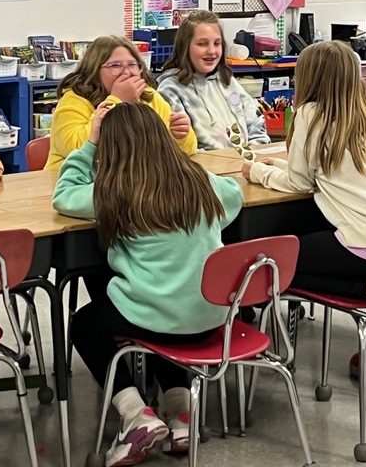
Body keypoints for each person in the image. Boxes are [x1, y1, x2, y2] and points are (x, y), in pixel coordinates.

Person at [53, 101, 243, 466]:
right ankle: (181, 412)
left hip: (157, 316)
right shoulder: (199, 181)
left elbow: (63, 196)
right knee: (161, 314)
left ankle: (134, 413)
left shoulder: (113, 192)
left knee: (87, 324)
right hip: (211, 316)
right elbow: (234, 195)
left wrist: (90, 142)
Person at [241, 41, 366, 384]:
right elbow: (321, 171)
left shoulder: (310, 114)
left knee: (268, 265)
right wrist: (280, 165)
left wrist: (258, 172)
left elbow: (298, 183)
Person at [44, 35, 194, 171]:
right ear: (94, 70)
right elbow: (76, 151)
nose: (127, 72)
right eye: (115, 65)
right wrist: (117, 101)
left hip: (132, 184)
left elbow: (187, 150)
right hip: (75, 186)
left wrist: (180, 136)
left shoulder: (149, 97)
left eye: (133, 65)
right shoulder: (74, 99)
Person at [158, 10, 269, 154]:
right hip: (204, 173)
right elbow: (181, 148)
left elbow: (256, 125)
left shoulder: (227, 82)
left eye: (217, 43)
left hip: (243, 169)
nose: (212, 51)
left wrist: (252, 159)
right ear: (185, 47)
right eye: (202, 44)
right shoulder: (169, 91)